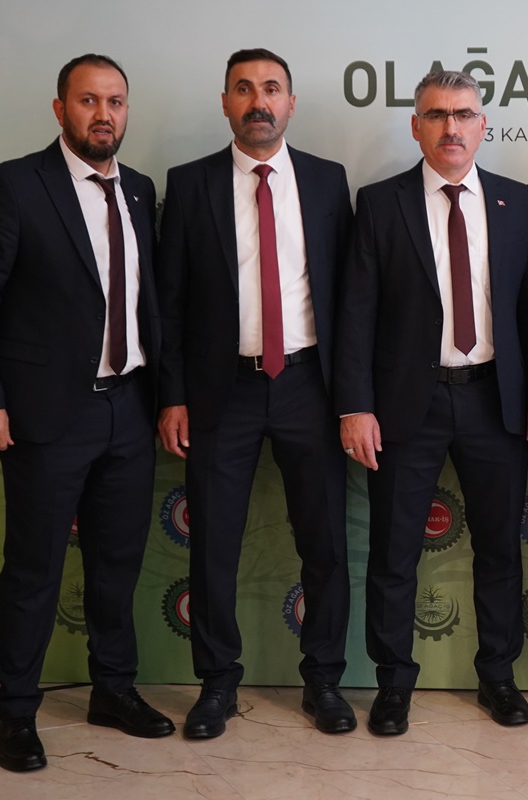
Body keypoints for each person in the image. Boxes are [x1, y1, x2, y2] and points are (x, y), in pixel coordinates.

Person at [0, 54, 174, 772]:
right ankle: (17, 711)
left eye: (115, 101)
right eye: (88, 101)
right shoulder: (16, 183)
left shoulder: (138, 189)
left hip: (129, 409)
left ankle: (113, 689)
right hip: (46, 416)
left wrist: (167, 396)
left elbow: (150, 304)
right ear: (60, 109)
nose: (103, 114)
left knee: (117, 563)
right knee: (35, 569)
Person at [156, 48, 355, 738]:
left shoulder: (328, 181)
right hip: (222, 390)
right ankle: (216, 683)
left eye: (271, 88)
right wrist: (173, 394)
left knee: (324, 543)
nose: (259, 101)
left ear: (291, 103)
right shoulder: (190, 184)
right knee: (213, 543)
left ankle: (324, 680)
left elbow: (350, 298)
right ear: (225, 103)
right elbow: (170, 303)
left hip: (310, 385)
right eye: (244, 89)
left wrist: (352, 397)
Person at [335, 70, 528, 736]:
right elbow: (356, 312)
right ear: (416, 126)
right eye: (437, 115)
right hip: (404, 408)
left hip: (494, 402)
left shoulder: (514, 201)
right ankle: (394, 683)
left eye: (464, 114)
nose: (452, 127)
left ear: (483, 125)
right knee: (395, 553)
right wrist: (355, 405)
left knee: (500, 551)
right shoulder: (380, 203)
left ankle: (498, 676)